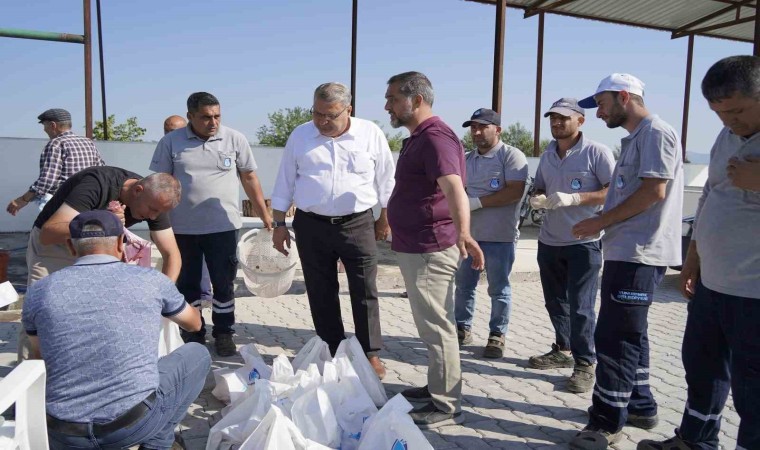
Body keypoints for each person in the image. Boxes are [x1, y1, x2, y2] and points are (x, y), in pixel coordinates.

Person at [638, 56, 760, 450]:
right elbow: (709, 195)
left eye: (737, 110)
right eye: (719, 113)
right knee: (702, 367)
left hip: (754, 293)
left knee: (753, 387)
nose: (729, 121)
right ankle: (696, 441)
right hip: (714, 284)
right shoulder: (727, 136)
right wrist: (693, 260)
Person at [22, 210, 209, 450]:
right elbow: (194, 324)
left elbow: (40, 356)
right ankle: (159, 443)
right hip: (131, 425)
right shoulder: (151, 280)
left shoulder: (39, 291)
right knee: (197, 354)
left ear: (70, 246)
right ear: (122, 243)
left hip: (63, 433)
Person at [566, 74, 683, 450]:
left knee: (614, 338)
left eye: (601, 104)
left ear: (623, 96)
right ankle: (639, 405)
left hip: (639, 253)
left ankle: (605, 423)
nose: (598, 113)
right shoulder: (637, 138)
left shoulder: (654, 133)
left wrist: (599, 221)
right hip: (628, 251)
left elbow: (653, 191)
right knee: (632, 333)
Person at [271, 82, 395, 378]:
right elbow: (284, 181)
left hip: (358, 223)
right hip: (311, 225)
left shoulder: (370, 134)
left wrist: (385, 217)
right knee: (320, 289)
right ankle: (332, 349)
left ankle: (370, 354)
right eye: (317, 114)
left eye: (330, 115)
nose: (323, 121)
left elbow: (387, 179)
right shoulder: (301, 135)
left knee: (365, 289)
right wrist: (278, 225)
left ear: (348, 110)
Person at [385, 71, 484, 428]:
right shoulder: (419, 137)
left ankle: (445, 405)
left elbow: (454, 188)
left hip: (430, 247)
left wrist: (465, 234)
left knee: (438, 328)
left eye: (393, 98)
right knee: (431, 326)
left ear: (417, 100)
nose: (387, 105)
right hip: (417, 245)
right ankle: (436, 387)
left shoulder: (436, 137)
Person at [150, 92, 272, 357]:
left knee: (224, 283)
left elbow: (249, 178)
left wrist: (264, 213)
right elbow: (160, 182)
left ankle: (224, 333)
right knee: (188, 285)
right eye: (206, 117)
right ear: (190, 116)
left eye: (217, 116)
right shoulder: (170, 142)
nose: (213, 122)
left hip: (223, 227)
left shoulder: (234, 139)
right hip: (183, 229)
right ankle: (193, 333)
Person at [527, 98, 615, 394]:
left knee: (581, 307)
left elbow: (613, 192)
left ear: (580, 121)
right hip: (550, 240)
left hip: (584, 242)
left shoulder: (596, 152)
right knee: (555, 301)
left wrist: (576, 198)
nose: (557, 123)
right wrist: (537, 196)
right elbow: (539, 185)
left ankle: (585, 363)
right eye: (553, 118)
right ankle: (562, 350)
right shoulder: (548, 155)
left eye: (564, 118)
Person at [454, 108, 528, 359]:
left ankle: (497, 335)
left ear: (497, 129)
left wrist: (478, 203)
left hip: (500, 237)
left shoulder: (512, 156)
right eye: (473, 127)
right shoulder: (466, 159)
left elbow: (514, 191)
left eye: (482, 127)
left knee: (499, 288)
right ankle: (462, 328)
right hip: (469, 236)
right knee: (464, 286)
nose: (476, 132)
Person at [6, 108, 104, 216]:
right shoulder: (88, 142)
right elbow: (101, 170)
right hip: (89, 201)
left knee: (43, 232)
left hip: (64, 204)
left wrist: (23, 199)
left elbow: (47, 180)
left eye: (45, 125)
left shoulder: (56, 144)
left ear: (53, 125)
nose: (44, 130)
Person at [162, 115, 213, 305]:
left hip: (207, 216)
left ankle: (205, 295)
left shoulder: (197, 148)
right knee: (181, 258)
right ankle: (181, 297)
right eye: (167, 131)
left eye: (175, 131)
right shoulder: (167, 148)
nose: (171, 135)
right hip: (178, 218)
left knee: (204, 260)